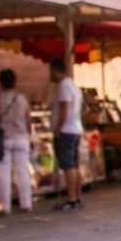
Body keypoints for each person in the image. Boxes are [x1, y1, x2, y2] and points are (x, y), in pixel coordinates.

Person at [0, 69, 32, 215]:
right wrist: (29, 135)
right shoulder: (22, 99)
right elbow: (28, 118)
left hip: (5, 139)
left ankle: (5, 206)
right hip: (22, 138)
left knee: (3, 172)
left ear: (0, 82)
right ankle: (26, 204)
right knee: (22, 171)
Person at [49, 59, 84, 211]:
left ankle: (71, 198)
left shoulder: (63, 86)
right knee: (74, 165)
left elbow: (65, 107)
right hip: (75, 128)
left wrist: (58, 127)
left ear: (56, 70)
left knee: (68, 166)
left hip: (67, 130)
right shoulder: (74, 85)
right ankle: (77, 196)